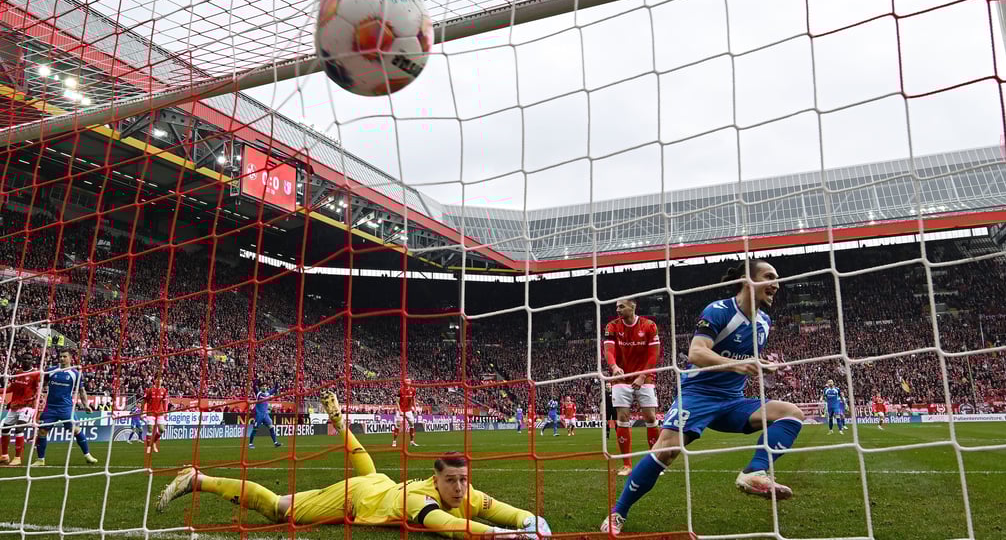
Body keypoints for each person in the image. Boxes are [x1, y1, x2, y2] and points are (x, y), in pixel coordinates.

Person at [157, 392, 553, 539]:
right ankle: (198, 479)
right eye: (452, 481)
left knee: (370, 468)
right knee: (278, 508)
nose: (460, 488)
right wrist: (504, 537)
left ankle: (339, 421)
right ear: (437, 479)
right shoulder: (423, 502)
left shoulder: (465, 492)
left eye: (464, 481)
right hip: (359, 498)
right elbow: (447, 527)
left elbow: (499, 509)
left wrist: (528, 520)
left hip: (381, 484)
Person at [601, 259, 805, 535]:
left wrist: (759, 364)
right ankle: (618, 513)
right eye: (769, 277)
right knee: (665, 452)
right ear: (748, 281)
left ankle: (754, 473)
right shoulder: (719, 310)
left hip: (733, 401)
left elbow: (744, 357)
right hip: (697, 396)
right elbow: (697, 352)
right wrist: (736, 364)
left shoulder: (764, 323)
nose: (776, 284)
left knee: (792, 413)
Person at [603, 298, 661, 476]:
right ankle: (627, 464)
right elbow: (609, 350)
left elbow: (654, 354)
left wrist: (643, 376)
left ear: (633, 307)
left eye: (622, 306)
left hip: (645, 376)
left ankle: (654, 464)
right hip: (621, 378)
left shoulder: (649, 325)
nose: (618, 310)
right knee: (622, 417)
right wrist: (613, 367)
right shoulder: (612, 326)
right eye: (616, 307)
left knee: (650, 417)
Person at [31, 348, 98, 466]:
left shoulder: (75, 374)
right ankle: (40, 460)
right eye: (60, 356)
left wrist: (86, 405)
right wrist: (40, 394)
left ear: (70, 358)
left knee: (76, 430)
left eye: (64, 356)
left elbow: (81, 391)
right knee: (42, 432)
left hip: (66, 408)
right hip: (50, 407)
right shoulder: (51, 371)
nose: (62, 358)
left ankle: (88, 455)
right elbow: (43, 384)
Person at [0, 357, 41, 467]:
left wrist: (36, 403)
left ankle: (17, 458)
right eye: (24, 360)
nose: (25, 361)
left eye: (28, 360)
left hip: (28, 406)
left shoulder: (36, 374)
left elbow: (39, 390)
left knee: (19, 428)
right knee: (5, 428)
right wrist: (1, 391)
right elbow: (12, 387)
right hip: (14, 406)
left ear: (31, 361)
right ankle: (4, 456)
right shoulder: (17, 372)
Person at [249, 382, 282, 449]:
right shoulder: (258, 393)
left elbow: (275, 389)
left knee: (271, 428)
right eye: (263, 386)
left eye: (265, 386)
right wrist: (255, 381)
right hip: (259, 415)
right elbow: (254, 386)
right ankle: (250, 444)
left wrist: (277, 383)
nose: (264, 387)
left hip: (266, 415)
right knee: (255, 429)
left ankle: (275, 443)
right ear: (260, 387)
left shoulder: (268, 393)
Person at [143, 378, 169, 454]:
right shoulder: (150, 390)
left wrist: (165, 412)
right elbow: (144, 401)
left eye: (160, 380)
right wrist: (142, 412)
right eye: (158, 379)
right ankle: (148, 446)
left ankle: (154, 442)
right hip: (151, 412)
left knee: (162, 429)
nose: (159, 381)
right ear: (155, 381)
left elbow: (164, 402)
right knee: (150, 429)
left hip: (160, 412)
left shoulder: (164, 390)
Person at [393, 378, 419, 447]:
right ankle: (394, 441)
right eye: (406, 381)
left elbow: (413, 400)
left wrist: (415, 409)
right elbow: (397, 401)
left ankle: (412, 441)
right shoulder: (400, 390)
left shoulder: (413, 390)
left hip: (409, 411)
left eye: (409, 381)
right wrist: (400, 410)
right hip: (401, 410)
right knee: (398, 425)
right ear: (404, 382)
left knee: (412, 425)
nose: (408, 382)